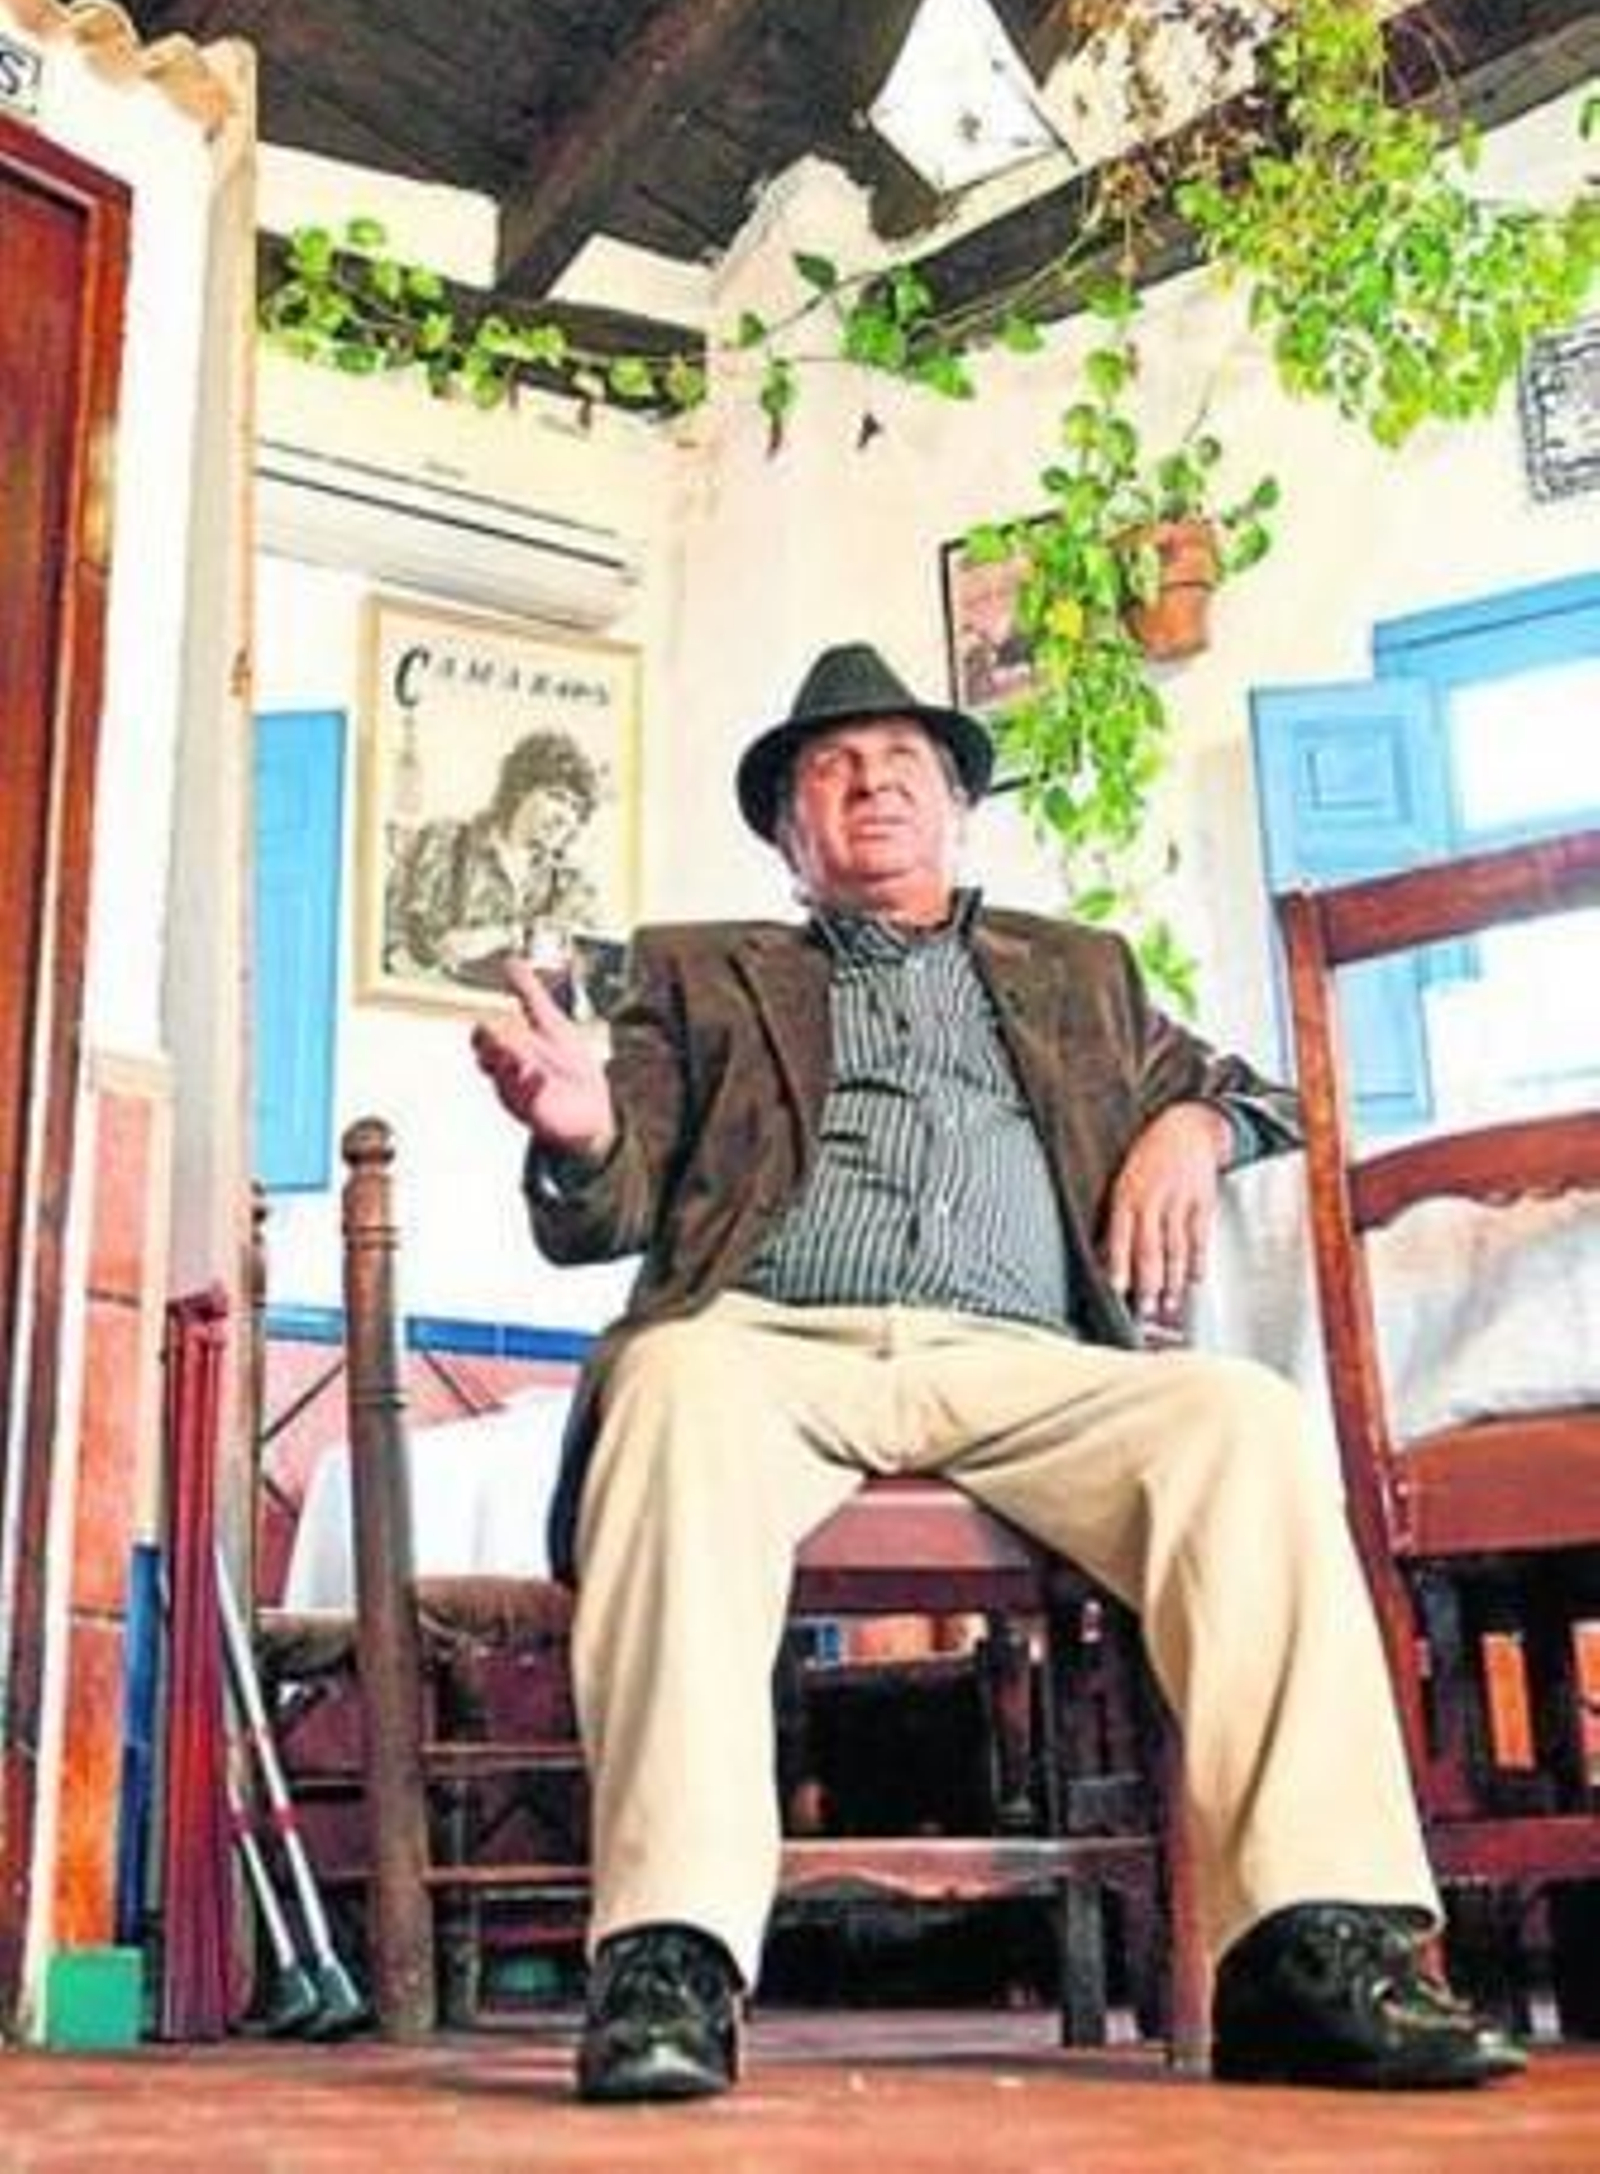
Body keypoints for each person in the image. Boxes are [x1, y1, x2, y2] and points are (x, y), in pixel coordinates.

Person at [470, 641, 1524, 2105]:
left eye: (903, 761)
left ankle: (1315, 1944)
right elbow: (614, 1204)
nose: (872, 783)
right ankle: (670, 1959)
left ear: (958, 809)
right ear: (787, 834)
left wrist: (1195, 1126)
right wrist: (584, 1131)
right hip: (772, 1344)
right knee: (667, 1391)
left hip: (1027, 1361)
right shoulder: (700, 971)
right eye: (832, 768)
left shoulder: (1078, 971)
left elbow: (1261, 1092)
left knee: (1243, 1419)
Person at [386, 727, 600, 988]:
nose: (565, 818)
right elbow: (388, 939)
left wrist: (504, 936)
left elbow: (587, 972)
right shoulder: (444, 842)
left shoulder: (570, 883)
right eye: (557, 797)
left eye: (576, 809)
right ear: (521, 789)